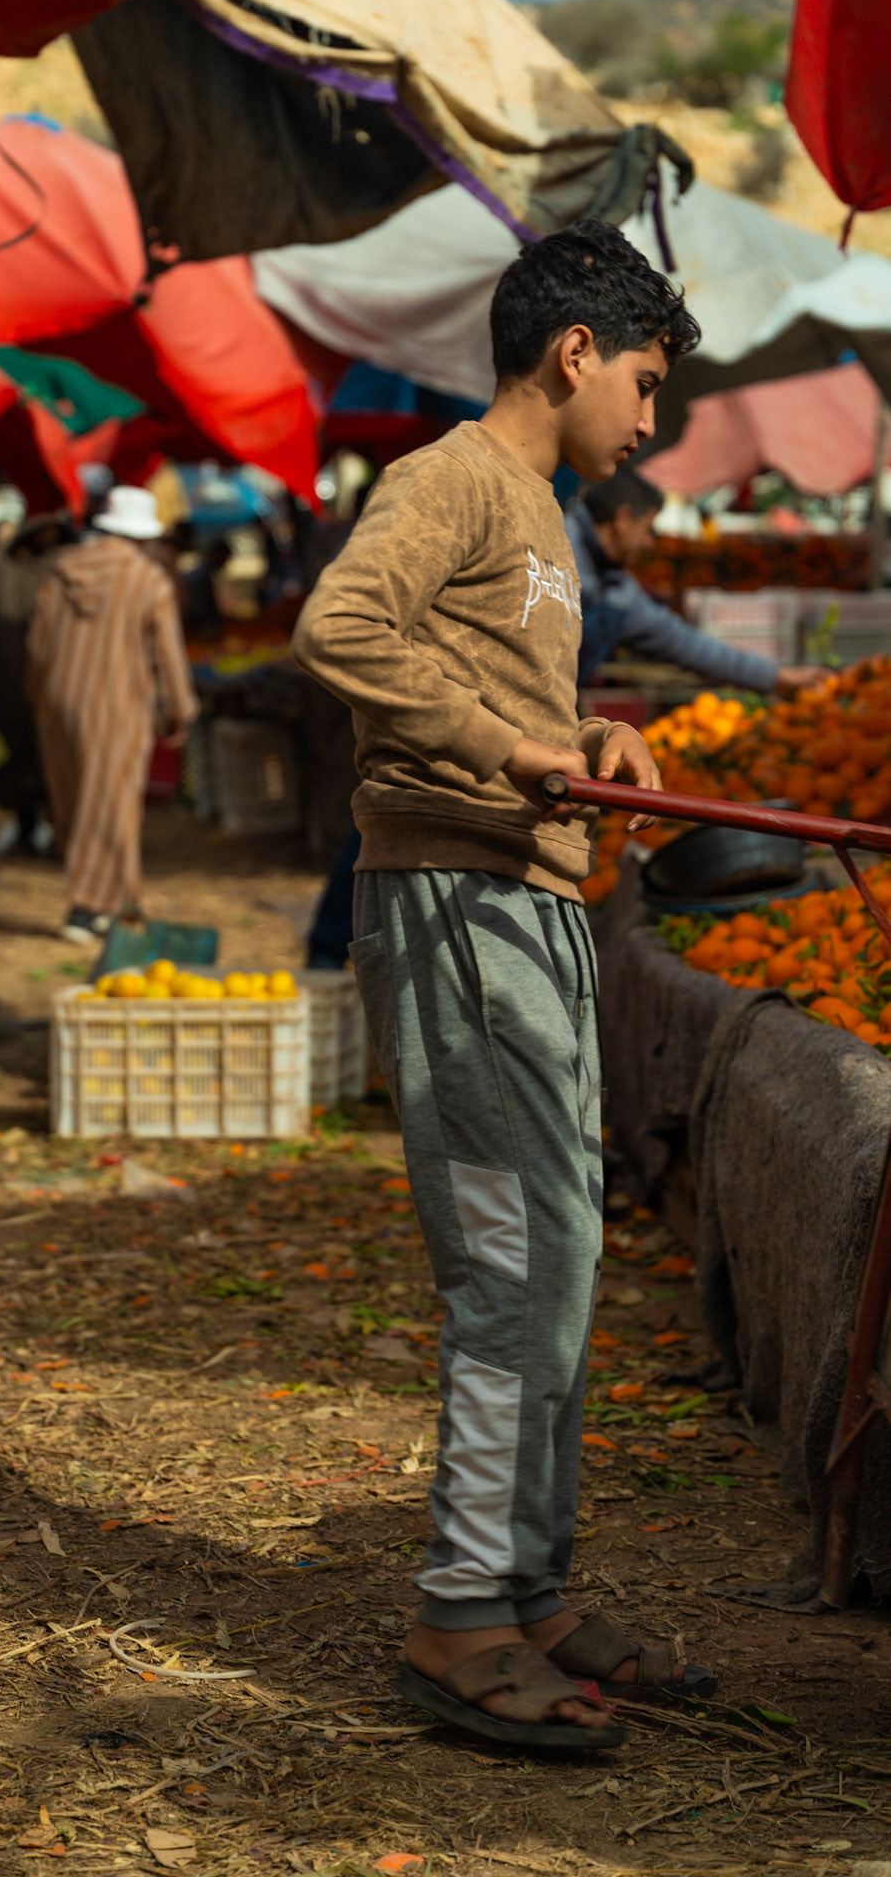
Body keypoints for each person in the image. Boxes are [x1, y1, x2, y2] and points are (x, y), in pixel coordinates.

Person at [292, 218, 716, 1751]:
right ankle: (457, 1619)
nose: (648, 422)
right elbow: (338, 626)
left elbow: (493, 679)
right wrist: (510, 752)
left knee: (563, 1265)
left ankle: (530, 1590)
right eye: (648, 387)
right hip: (456, 907)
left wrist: (582, 734)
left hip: (526, 899)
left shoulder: (538, 510)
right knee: (506, 1274)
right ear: (575, 352)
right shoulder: (452, 480)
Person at [27, 485, 198, 947]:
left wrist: (40, 697)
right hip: (120, 703)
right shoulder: (148, 580)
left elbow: (37, 645)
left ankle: (119, 898)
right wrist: (179, 709)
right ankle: (86, 906)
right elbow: (168, 655)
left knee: (74, 798)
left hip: (59, 701)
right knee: (112, 804)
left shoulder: (59, 571)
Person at [570, 470, 826, 692]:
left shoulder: (616, 588)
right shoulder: (556, 547)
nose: (649, 543)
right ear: (623, 520)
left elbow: (684, 644)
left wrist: (776, 677)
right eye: (648, 528)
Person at [0, 511, 73, 853]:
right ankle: (25, 826)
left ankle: (59, 829)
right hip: (7, 675)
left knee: (54, 754)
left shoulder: (68, 562)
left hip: (56, 676)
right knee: (17, 753)